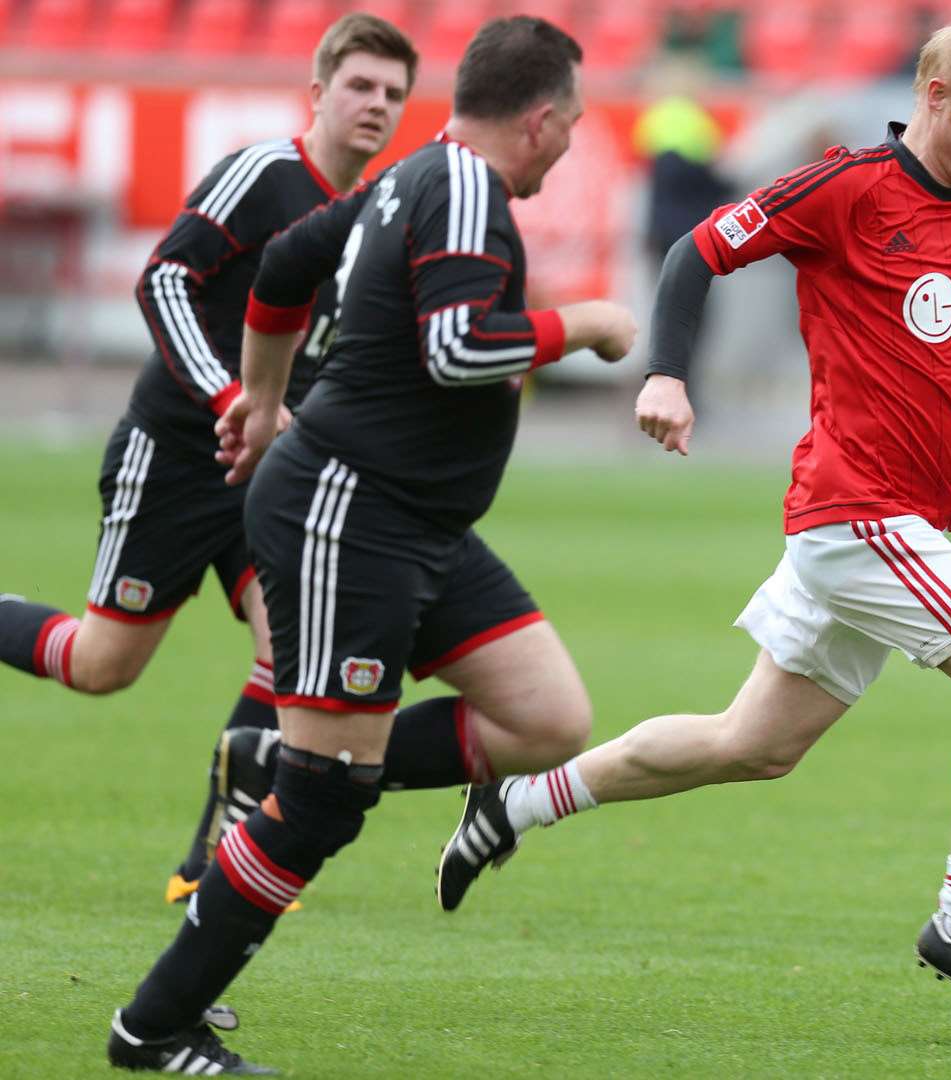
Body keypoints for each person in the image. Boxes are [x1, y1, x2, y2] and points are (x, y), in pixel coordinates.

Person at [432, 19, 951, 1037]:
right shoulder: (847, 187)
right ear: (937, 95)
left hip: (903, 523)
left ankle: (515, 806)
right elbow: (697, 251)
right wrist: (668, 374)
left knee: (753, 745)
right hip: (859, 512)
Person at [104, 17, 638, 1073]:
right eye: (570, 123)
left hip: (413, 523)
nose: (572, 141)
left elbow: (288, 266)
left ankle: (277, 756)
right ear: (537, 120)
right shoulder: (465, 188)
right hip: (351, 512)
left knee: (546, 719)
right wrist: (584, 325)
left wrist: (259, 403)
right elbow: (457, 347)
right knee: (320, 807)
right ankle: (153, 1027)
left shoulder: (415, 173)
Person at [0, 14, 417, 906]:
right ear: (318, 93)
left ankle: (210, 866)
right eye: (360, 86)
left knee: (290, 647)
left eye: (392, 94)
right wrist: (231, 398)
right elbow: (163, 278)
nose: (375, 105)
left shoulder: (367, 214)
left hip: (263, 474)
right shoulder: (265, 175)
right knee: (101, 665)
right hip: (178, 456)